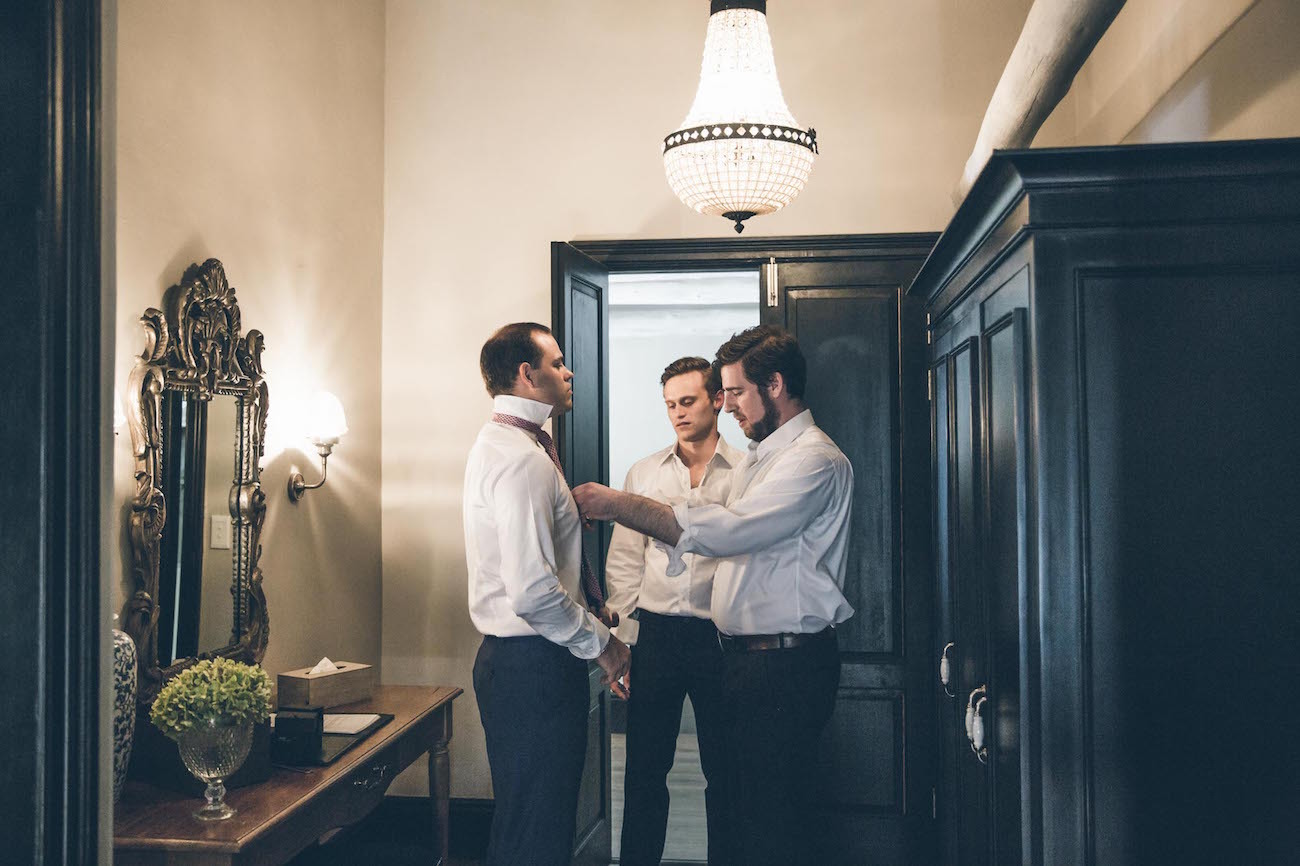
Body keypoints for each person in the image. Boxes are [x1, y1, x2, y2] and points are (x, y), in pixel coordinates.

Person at [574, 324, 854, 866]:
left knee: (764, 814)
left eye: (736, 394)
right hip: (734, 654)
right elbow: (648, 557)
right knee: (750, 809)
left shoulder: (812, 460)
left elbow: (729, 531)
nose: (728, 408)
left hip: (784, 662)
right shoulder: (763, 457)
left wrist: (618, 504)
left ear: (774, 385)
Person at [465, 321, 630, 866]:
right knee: (537, 831)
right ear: (526, 374)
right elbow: (533, 592)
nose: (569, 370)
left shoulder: (513, 445)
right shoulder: (520, 459)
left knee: (530, 822)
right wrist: (603, 644)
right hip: (531, 664)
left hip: (519, 662)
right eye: (558, 362)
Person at [605, 356, 744, 866]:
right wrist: (622, 640)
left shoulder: (747, 471)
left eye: (687, 401)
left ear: (716, 399)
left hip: (721, 637)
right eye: (670, 405)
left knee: (726, 771)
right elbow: (624, 561)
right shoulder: (642, 472)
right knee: (644, 770)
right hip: (657, 637)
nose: (678, 413)